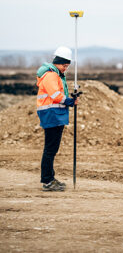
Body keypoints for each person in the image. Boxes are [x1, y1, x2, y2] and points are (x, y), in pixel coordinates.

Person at [36, 46, 77, 191]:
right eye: (64, 65)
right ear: (58, 62)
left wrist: (69, 100)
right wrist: (69, 101)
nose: (66, 68)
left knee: (52, 149)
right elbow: (55, 95)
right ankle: (47, 181)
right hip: (51, 114)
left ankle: (50, 178)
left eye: (67, 66)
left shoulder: (56, 74)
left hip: (54, 115)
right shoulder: (51, 75)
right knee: (50, 149)